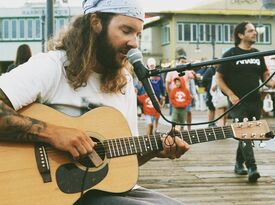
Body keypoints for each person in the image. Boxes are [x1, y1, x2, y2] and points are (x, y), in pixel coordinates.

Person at [0, 0, 189, 204]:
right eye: (126, 31)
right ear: (96, 22)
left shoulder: (124, 82)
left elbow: (123, 157)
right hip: (51, 193)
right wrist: (53, 133)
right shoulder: (53, 65)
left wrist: (155, 149)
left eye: (138, 35)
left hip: (103, 188)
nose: (134, 43)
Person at [216, 21, 275, 183]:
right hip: (237, 102)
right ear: (240, 35)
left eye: (255, 31)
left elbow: (264, 74)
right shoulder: (231, 54)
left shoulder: (257, 53)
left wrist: (270, 82)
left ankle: (238, 163)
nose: (254, 33)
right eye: (250, 31)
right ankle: (252, 167)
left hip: (255, 101)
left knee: (248, 134)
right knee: (245, 131)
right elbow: (219, 77)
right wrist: (230, 95)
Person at [147, 57, 166, 133]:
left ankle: (156, 128)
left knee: (157, 113)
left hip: (157, 96)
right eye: (150, 65)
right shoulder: (146, 74)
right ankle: (150, 127)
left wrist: (163, 95)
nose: (152, 66)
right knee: (150, 113)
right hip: (149, 97)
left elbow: (162, 85)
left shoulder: (158, 74)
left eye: (153, 65)